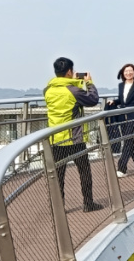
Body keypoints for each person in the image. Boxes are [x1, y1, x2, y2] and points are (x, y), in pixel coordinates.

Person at [44, 57, 103, 212]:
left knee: (58, 175)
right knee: (84, 171)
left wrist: (75, 82)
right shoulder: (73, 90)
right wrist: (88, 83)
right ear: (70, 71)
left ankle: (59, 207)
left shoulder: (48, 90)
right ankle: (88, 204)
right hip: (75, 138)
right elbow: (92, 99)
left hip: (56, 139)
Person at [107, 63, 134, 177]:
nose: (128, 73)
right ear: (122, 73)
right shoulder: (121, 85)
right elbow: (122, 100)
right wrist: (114, 101)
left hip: (133, 117)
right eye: (126, 71)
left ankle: (122, 168)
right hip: (123, 117)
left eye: (130, 71)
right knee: (130, 142)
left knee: (128, 141)